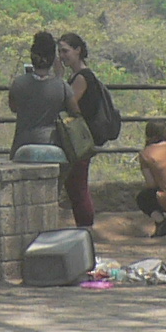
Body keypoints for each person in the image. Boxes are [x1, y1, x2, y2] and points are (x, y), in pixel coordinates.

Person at [54, 31, 109, 229]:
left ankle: (85, 228)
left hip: (79, 139)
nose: (62, 56)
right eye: (60, 51)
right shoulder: (82, 76)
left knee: (78, 186)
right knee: (75, 185)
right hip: (82, 139)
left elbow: (70, 104)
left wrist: (58, 79)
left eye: (66, 51)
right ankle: (84, 227)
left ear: (78, 50)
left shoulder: (81, 78)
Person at [7, 30, 71, 155]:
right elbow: (75, 111)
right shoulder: (62, 86)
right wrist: (59, 76)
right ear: (53, 59)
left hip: (21, 146)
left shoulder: (18, 83)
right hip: (51, 148)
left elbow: (13, 107)